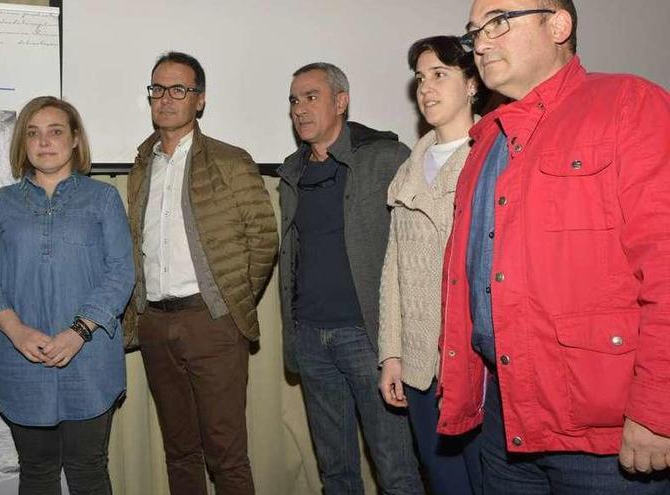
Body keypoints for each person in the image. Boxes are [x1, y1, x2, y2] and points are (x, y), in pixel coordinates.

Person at [438, 0, 670, 493]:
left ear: (559, 25)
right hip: (504, 417)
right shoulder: (486, 144)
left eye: (499, 21)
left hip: (606, 432)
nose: (480, 42)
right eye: (474, 30)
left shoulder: (628, 104)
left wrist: (658, 407)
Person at [124, 51, 278, 495]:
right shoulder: (141, 164)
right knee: (180, 452)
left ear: (200, 100)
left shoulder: (231, 161)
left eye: (179, 89)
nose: (166, 98)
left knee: (226, 454)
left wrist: (229, 306)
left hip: (212, 324)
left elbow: (263, 238)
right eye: (158, 89)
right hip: (154, 324)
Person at [0, 96, 134, 495]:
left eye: (55, 131)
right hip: (21, 361)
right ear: (23, 143)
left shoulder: (103, 199)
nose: (44, 142)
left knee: (88, 470)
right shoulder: (1, 204)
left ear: (75, 139)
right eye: (33, 133)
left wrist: (78, 331)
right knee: (37, 472)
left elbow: (121, 272)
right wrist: (17, 331)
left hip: (89, 359)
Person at [278, 62, 424, 495]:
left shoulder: (384, 158)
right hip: (311, 338)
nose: (299, 109)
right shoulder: (292, 170)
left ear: (340, 102)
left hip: (371, 338)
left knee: (396, 470)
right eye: (293, 100)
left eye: (311, 97)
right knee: (336, 473)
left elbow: (416, 249)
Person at [378, 35, 484, 495]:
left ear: (473, 84)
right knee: (442, 482)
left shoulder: (489, 155)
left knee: (486, 481)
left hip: (474, 363)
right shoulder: (409, 167)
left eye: (440, 75)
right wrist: (391, 354)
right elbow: (393, 272)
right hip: (422, 364)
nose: (426, 88)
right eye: (421, 78)